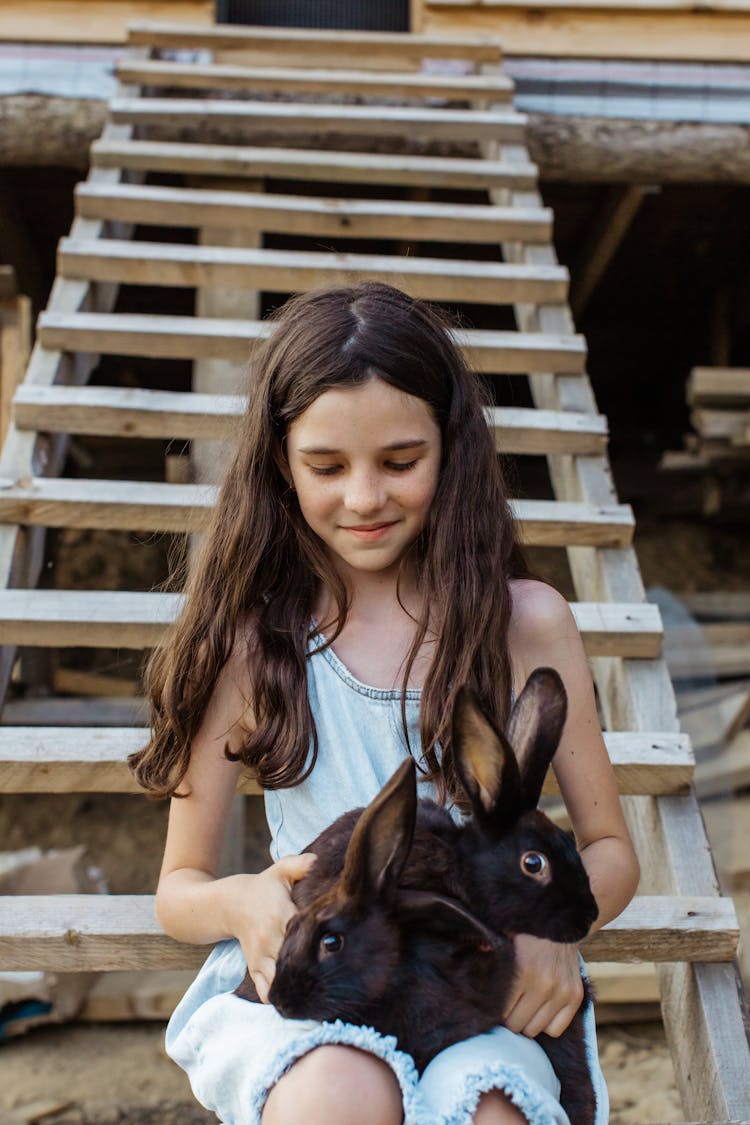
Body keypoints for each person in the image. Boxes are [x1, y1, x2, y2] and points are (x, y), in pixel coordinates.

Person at [130, 282, 639, 1125]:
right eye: (327, 467)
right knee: (337, 1092)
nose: (364, 496)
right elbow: (177, 885)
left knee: (488, 1109)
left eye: (400, 461)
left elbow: (609, 847)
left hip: (478, 980)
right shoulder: (252, 641)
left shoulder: (525, 623)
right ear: (279, 463)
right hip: (320, 980)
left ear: (452, 448)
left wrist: (556, 934)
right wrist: (243, 900)